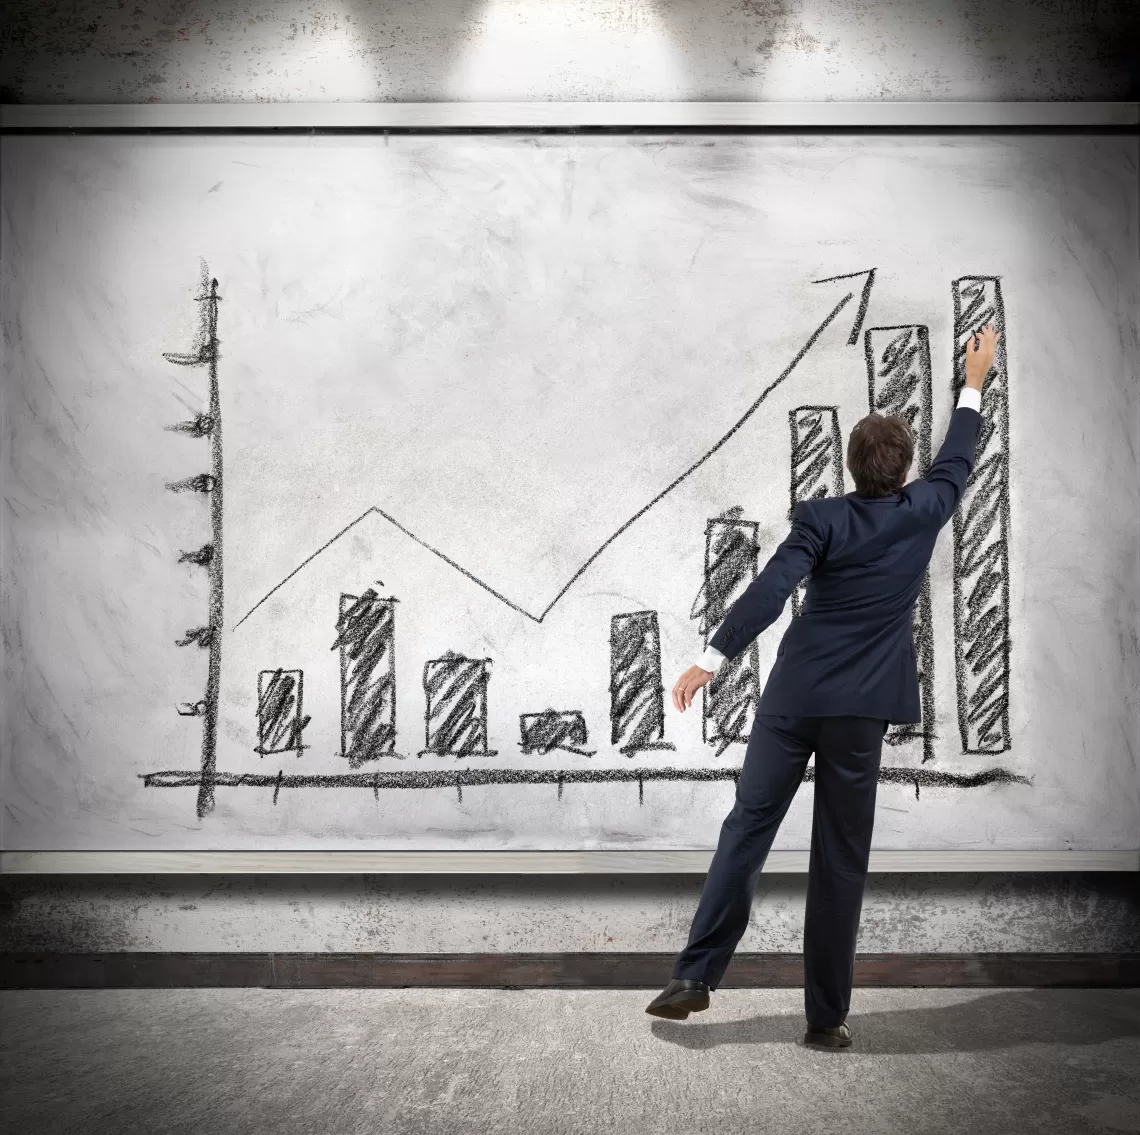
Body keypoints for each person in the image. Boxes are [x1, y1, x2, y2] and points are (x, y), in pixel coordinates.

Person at [644, 323, 1001, 1049]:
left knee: (746, 828)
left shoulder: (821, 518)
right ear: (902, 471)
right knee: (840, 857)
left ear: (851, 464)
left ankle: (695, 975)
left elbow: (773, 589)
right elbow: (959, 457)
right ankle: (825, 1019)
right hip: (859, 713)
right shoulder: (925, 509)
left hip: (793, 700)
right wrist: (974, 378)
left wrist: (710, 659)